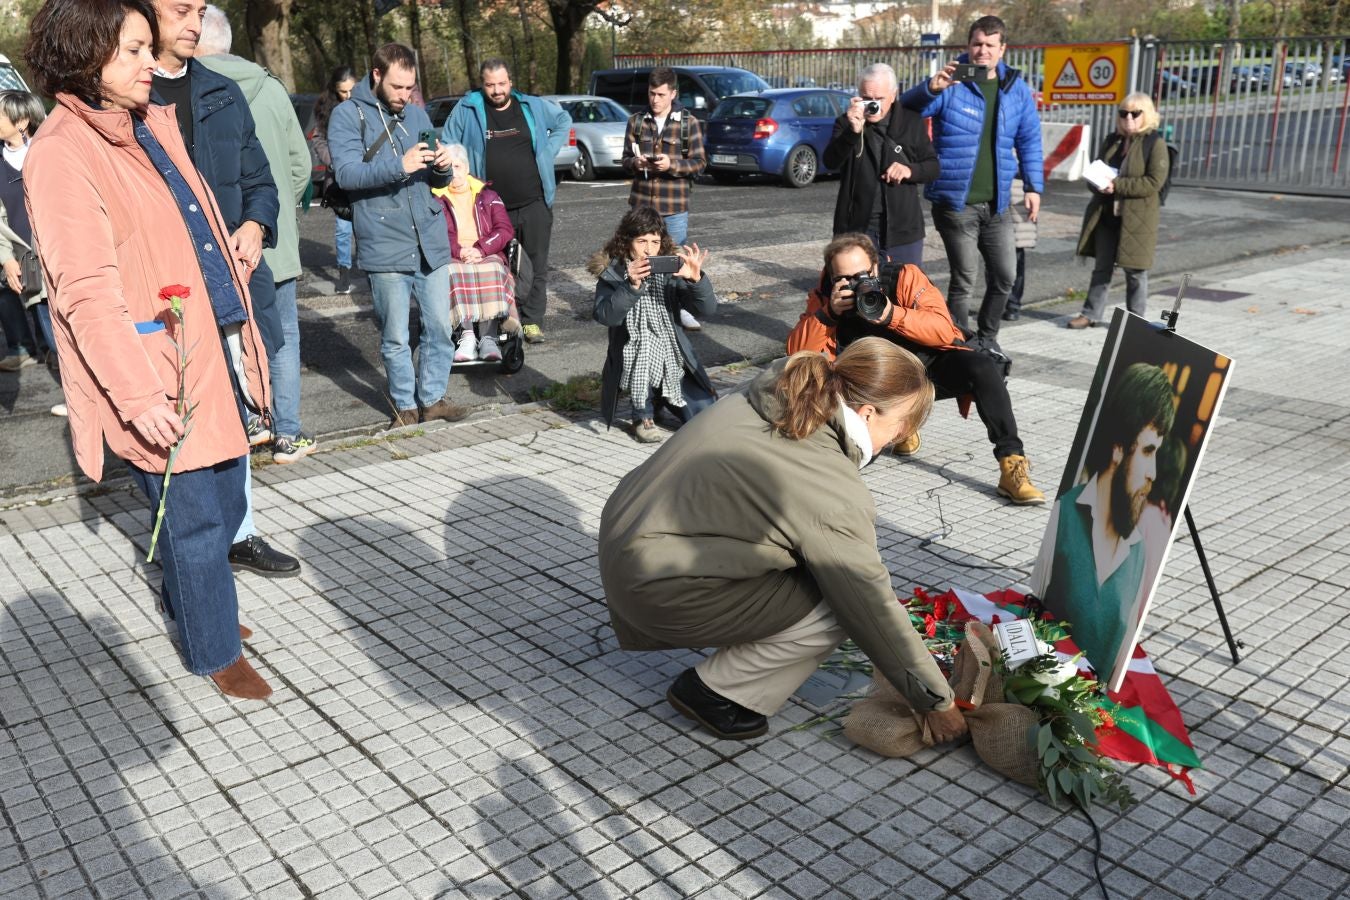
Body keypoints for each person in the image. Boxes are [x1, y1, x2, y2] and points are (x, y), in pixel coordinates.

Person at [24, 0, 274, 698]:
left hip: (203, 345)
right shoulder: (61, 154)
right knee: (193, 519)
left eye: (145, 48)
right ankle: (212, 649)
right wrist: (136, 396)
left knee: (225, 500)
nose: (148, 63)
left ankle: (199, 604)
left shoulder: (147, 123)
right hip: (155, 368)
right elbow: (84, 293)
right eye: (131, 51)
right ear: (86, 56)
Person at [598, 338, 967, 743]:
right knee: (838, 601)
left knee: (818, 569)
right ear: (867, 413)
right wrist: (936, 701)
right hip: (654, 585)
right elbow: (869, 605)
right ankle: (717, 693)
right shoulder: (828, 482)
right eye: (901, 427)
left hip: (628, 545)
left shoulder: (780, 390)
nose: (897, 440)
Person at [148, 0, 300, 579]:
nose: (192, 23)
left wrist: (256, 225)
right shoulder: (126, 102)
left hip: (232, 280)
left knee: (236, 407)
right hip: (164, 291)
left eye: (199, 12)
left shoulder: (221, 91)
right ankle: (185, 542)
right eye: (180, 11)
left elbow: (262, 179)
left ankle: (240, 533)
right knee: (175, 411)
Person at [787, 233, 1044, 505]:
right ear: (831, 277)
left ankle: (1011, 464)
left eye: (863, 276)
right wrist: (828, 314)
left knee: (981, 366)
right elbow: (797, 355)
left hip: (924, 371)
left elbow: (944, 329)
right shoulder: (827, 295)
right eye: (844, 278)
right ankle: (835, 482)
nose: (855, 285)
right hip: (873, 386)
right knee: (856, 449)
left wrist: (892, 315)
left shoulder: (904, 277)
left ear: (876, 266)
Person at [196, 5, 315, 464]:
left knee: (227, 336)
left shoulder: (186, 91)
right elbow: (301, 165)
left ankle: (244, 429)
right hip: (272, 237)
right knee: (281, 335)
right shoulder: (270, 88)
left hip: (216, 243)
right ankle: (286, 433)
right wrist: (276, 209)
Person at [329, 42, 466, 428]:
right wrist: (400, 165)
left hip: (430, 237)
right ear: (376, 76)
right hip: (384, 239)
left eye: (411, 87)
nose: (406, 96)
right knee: (395, 335)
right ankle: (405, 406)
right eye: (398, 87)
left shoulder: (418, 113)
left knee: (440, 326)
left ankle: (434, 398)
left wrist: (441, 167)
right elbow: (348, 175)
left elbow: (436, 180)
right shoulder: (347, 115)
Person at [900, 15, 1044, 343]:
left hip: (997, 205)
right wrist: (930, 88)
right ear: (968, 46)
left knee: (1006, 276)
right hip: (955, 203)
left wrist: (1034, 185)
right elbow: (906, 111)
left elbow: (1030, 140)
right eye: (977, 44)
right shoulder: (953, 81)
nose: (982, 51)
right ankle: (958, 345)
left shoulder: (1015, 89)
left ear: (1002, 49)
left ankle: (988, 339)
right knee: (964, 280)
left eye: (990, 45)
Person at [1032, 362, 1177, 682]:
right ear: (1117, 448)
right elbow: (1032, 608)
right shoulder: (1065, 514)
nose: (1152, 472)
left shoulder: (1138, 548)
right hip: (1039, 689)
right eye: (1148, 450)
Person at [442, 58, 570, 345]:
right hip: (490, 207)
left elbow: (563, 119)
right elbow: (450, 143)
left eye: (502, 84)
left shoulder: (531, 105)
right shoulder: (468, 108)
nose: (497, 90)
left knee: (536, 264)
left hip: (535, 200)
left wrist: (548, 151)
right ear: (482, 83)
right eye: (490, 85)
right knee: (499, 264)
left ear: (511, 81)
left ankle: (532, 321)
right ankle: (499, 320)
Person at [592, 206, 716, 443]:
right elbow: (605, 316)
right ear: (627, 241)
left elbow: (707, 309)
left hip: (673, 355)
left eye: (655, 241)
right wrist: (631, 286)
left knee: (707, 415)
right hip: (632, 354)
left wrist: (696, 279)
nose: (649, 249)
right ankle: (642, 413)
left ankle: (661, 398)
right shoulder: (614, 273)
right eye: (641, 241)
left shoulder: (670, 270)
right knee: (644, 346)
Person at [1067, 93, 1169, 329]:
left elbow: (1154, 182)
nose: (1128, 118)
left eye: (1135, 113)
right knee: (1101, 268)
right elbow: (1097, 168)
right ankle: (1090, 314)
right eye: (1123, 113)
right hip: (1106, 214)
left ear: (1147, 115)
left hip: (1137, 218)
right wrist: (1095, 182)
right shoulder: (1112, 140)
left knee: (1135, 272)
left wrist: (1118, 185)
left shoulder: (1154, 143)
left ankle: (1135, 320)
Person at [823, 63, 939, 268]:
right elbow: (830, 162)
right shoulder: (846, 123)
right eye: (867, 98)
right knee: (859, 295)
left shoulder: (910, 122)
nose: (873, 104)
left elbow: (932, 167)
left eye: (879, 98)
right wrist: (852, 131)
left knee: (905, 293)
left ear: (894, 95)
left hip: (903, 230)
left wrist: (909, 170)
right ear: (858, 96)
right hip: (857, 230)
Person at [620, 66, 708, 331]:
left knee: (674, 259)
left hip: (673, 207)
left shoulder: (688, 123)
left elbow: (700, 163)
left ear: (673, 93)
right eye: (651, 93)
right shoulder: (636, 121)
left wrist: (672, 164)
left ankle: (679, 307)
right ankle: (639, 306)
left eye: (660, 94)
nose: (654, 99)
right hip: (642, 206)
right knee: (638, 256)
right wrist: (635, 162)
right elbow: (624, 160)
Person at [431, 143, 517, 363]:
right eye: (448, 167)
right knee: (452, 271)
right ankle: (467, 335)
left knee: (494, 269)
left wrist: (480, 249)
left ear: (467, 167)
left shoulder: (488, 195)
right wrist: (460, 251)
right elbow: (439, 233)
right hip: (454, 253)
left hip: (485, 250)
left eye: (458, 166)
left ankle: (488, 337)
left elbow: (505, 229)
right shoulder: (436, 198)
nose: (454, 173)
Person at [0, 91, 52, 377]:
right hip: (28, 265)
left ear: (21, 121)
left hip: (61, 257)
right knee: (53, 335)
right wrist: (6, 260)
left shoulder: (49, 151)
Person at [310, 66, 358, 295]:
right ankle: (344, 272)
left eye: (352, 90)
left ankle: (371, 269)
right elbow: (318, 139)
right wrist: (333, 161)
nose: (348, 96)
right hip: (339, 180)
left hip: (364, 175)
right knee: (342, 227)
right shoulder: (325, 109)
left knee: (367, 225)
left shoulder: (366, 106)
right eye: (343, 91)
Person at [1001, 179, 1037, 322]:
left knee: (1016, 251)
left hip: (1018, 189)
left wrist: (1034, 189)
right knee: (992, 254)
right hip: (998, 188)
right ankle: (999, 305)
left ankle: (1012, 305)